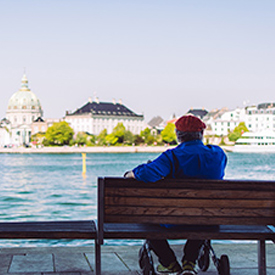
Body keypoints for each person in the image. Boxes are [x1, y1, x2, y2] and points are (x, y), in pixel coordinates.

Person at [124, 114, 227, 275]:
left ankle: (169, 263)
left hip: (173, 219)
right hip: (209, 218)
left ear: (178, 136)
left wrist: (132, 173)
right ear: (201, 134)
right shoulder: (218, 154)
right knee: (201, 215)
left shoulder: (172, 156)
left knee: (148, 222)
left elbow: (147, 174)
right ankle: (189, 263)